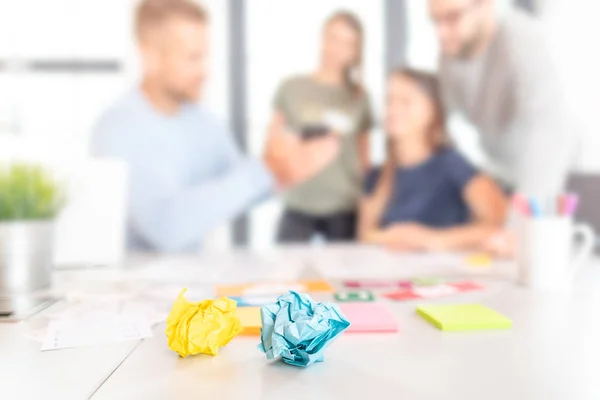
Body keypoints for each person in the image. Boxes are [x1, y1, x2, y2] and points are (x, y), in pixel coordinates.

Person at [92, 0, 339, 253]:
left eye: (205, 56)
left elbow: (240, 185)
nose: (205, 70)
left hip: (189, 283)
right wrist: (266, 170)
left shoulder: (203, 122)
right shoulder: (118, 128)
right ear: (150, 57)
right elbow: (165, 229)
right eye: (193, 58)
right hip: (134, 287)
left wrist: (285, 169)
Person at [430, 0, 576, 198]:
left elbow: (546, 130)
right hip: (503, 173)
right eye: (435, 20)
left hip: (558, 174)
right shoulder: (449, 57)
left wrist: (527, 204)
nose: (441, 33)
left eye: (452, 17)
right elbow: (446, 127)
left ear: (486, 5)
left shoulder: (522, 40)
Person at [359, 68, 507, 251]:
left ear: (431, 109)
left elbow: (497, 223)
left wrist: (433, 239)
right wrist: (393, 237)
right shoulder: (379, 175)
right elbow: (365, 237)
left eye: (405, 101)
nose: (393, 109)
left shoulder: (452, 165)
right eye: (389, 100)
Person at [272, 11, 373, 243]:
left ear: (356, 51)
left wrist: (368, 209)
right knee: (285, 275)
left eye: (347, 43)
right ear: (322, 38)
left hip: (344, 208)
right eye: (333, 38)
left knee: (344, 276)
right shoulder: (292, 88)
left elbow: (364, 160)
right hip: (299, 203)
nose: (337, 48)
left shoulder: (359, 97)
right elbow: (273, 143)